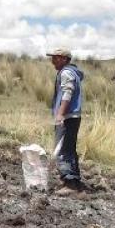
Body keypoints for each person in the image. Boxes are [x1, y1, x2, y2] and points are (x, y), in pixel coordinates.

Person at [47, 47, 85, 195]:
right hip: (72, 116)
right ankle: (74, 181)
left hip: (68, 117)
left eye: (56, 57)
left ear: (64, 59)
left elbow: (67, 93)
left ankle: (70, 184)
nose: (53, 61)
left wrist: (60, 114)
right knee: (69, 148)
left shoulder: (66, 73)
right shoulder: (71, 72)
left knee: (62, 150)